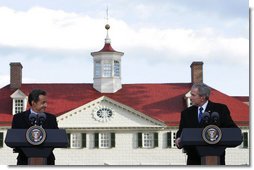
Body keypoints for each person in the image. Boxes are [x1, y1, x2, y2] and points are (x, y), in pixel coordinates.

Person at [175, 83, 238, 165]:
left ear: (202, 97)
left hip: (216, 158)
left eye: (193, 95)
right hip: (193, 160)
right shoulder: (186, 113)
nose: (190, 97)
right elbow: (181, 131)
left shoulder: (220, 109)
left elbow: (231, 129)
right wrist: (178, 139)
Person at [11, 89, 58, 165]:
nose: (46, 105)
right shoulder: (18, 118)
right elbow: (14, 138)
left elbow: (56, 138)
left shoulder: (51, 118)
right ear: (33, 103)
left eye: (46, 102)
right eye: (43, 103)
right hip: (24, 161)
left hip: (47, 161)